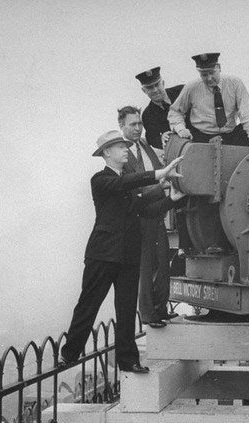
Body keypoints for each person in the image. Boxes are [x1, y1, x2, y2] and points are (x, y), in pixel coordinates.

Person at [60, 131, 185, 373]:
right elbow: (123, 184)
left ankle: (128, 360)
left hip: (128, 255)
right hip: (102, 254)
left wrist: (173, 199)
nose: (126, 149)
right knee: (89, 304)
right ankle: (69, 354)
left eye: (126, 146)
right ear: (107, 152)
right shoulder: (100, 180)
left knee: (127, 309)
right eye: (120, 147)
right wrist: (158, 174)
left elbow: (145, 211)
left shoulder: (127, 184)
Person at [118, 106, 176, 329]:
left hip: (157, 211)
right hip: (138, 215)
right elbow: (133, 191)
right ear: (121, 126)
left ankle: (160, 309)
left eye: (139, 123)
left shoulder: (145, 146)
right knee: (146, 265)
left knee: (162, 262)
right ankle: (148, 315)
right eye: (132, 124)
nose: (138, 128)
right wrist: (159, 187)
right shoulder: (122, 153)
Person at [168, 52, 249, 148]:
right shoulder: (191, 87)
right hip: (201, 137)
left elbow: (247, 115)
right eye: (204, 75)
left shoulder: (235, 84)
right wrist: (181, 129)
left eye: (212, 72)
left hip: (230, 135)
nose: (209, 78)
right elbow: (175, 112)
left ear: (219, 67)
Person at [135, 67, 185, 149]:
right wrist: (161, 139)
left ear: (163, 83)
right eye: (149, 87)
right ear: (144, 91)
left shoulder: (181, 91)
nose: (155, 90)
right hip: (181, 149)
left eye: (157, 85)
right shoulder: (147, 115)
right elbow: (152, 139)